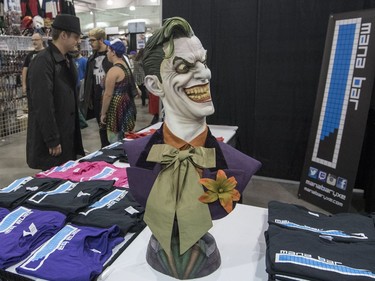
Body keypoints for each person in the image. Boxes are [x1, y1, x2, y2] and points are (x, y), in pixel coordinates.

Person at [123, 17, 261, 279]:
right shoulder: (138, 154)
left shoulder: (237, 164)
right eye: (184, 66)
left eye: (203, 62)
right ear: (154, 85)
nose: (204, 73)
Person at [26, 14, 84, 170]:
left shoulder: (67, 60)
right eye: (76, 37)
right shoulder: (43, 61)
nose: (78, 41)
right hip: (53, 141)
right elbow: (42, 103)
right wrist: (52, 139)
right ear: (64, 35)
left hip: (67, 134)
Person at [100, 39, 137, 143]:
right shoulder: (125, 66)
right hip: (127, 104)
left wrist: (103, 113)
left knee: (115, 140)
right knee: (127, 138)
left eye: (108, 51)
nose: (107, 53)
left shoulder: (113, 71)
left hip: (116, 109)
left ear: (113, 53)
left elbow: (108, 94)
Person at [83, 28, 112, 147]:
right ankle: (104, 149)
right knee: (101, 128)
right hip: (96, 99)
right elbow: (88, 80)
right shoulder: (91, 59)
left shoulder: (112, 56)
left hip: (110, 98)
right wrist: (88, 97)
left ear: (101, 40)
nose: (90, 43)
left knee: (113, 129)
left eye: (92, 40)